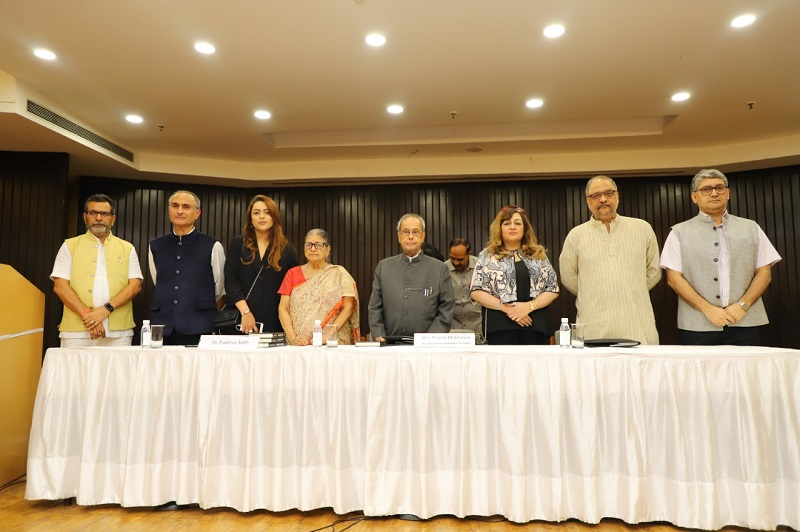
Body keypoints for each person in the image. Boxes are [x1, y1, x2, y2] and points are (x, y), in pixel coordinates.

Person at [660, 169, 781, 345]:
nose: (714, 193)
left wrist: (743, 305)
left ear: (728, 193)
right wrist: (707, 309)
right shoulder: (678, 232)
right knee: (701, 373)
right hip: (697, 325)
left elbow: (764, 272)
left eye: (719, 188)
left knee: (746, 372)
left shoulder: (751, 228)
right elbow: (673, 279)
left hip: (745, 321)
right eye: (706, 189)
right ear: (694, 197)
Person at [559, 176, 662, 344]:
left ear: (618, 196)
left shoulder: (642, 228)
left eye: (608, 193)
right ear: (587, 201)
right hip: (594, 325)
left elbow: (654, 271)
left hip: (637, 323)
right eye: (596, 195)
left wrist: (630, 288)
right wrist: (595, 291)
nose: (603, 199)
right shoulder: (576, 235)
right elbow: (568, 277)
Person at [51, 194, 142, 347]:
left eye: (104, 213)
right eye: (93, 213)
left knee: (117, 372)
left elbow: (135, 286)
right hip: (77, 332)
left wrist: (105, 310)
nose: (99, 218)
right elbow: (60, 286)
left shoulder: (127, 248)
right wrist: (90, 317)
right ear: (85, 217)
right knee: (75, 372)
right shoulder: (69, 246)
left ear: (113, 218)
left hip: (118, 333)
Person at [470, 206, 559, 345]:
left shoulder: (538, 254)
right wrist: (507, 309)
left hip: (535, 327)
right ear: (499, 228)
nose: (512, 227)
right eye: (507, 223)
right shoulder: (487, 255)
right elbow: (476, 291)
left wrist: (529, 307)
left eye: (517, 223)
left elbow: (552, 289)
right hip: (500, 329)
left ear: (525, 228)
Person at [148, 190, 225, 346]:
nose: (180, 211)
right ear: (169, 210)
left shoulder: (212, 245)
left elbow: (220, 287)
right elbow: (159, 281)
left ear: (197, 213)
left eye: (186, 207)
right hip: (162, 325)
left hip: (199, 324)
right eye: (175, 206)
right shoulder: (156, 245)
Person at [368, 214, 454, 342]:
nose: (410, 237)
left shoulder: (439, 268)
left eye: (415, 232)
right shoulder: (384, 266)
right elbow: (375, 306)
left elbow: (446, 308)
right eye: (405, 232)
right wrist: (379, 334)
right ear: (399, 236)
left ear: (423, 236)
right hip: (389, 342)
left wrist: (431, 338)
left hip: (426, 345)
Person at [225, 195, 298, 334]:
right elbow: (231, 281)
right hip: (241, 319)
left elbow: (293, 288)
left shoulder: (287, 249)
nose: (262, 217)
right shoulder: (238, 243)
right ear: (250, 219)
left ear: (274, 217)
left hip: (275, 321)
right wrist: (245, 312)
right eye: (256, 213)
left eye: (267, 212)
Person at [278, 229, 359, 345]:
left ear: (328, 249)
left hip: (332, 343)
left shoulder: (339, 274)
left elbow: (349, 306)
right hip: (300, 344)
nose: (313, 248)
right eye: (309, 245)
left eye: (318, 245)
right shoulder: (292, 273)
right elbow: (283, 308)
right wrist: (292, 338)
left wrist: (330, 335)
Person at [444, 238, 483, 339]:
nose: (456, 263)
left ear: (469, 254)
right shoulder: (443, 269)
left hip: (478, 326)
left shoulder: (481, 266)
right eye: (452, 258)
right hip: (453, 327)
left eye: (460, 259)